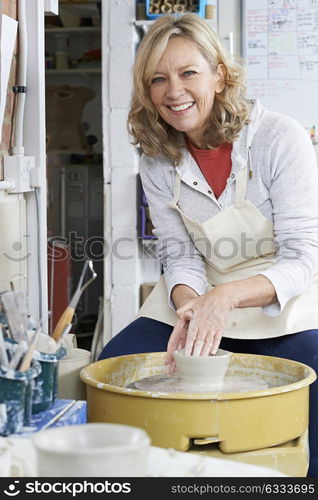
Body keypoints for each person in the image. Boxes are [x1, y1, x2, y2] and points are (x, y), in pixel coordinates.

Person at [98, 14, 318, 477]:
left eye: (188, 73)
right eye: (158, 79)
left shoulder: (279, 138)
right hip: (202, 293)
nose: (173, 91)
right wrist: (192, 307)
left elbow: (303, 257)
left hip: (285, 298)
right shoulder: (157, 160)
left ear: (219, 74)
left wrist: (226, 300)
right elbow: (178, 253)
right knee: (114, 367)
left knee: (311, 379)